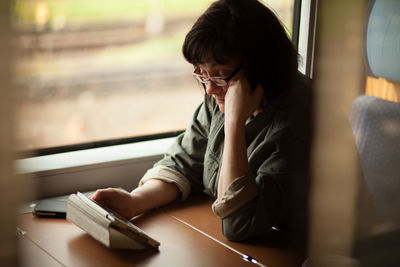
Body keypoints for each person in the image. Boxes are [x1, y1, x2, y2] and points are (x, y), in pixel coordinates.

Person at [91, 0, 311, 242]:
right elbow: (184, 163)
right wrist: (135, 201)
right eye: (202, 74)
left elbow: (238, 223)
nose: (209, 90)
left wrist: (234, 124)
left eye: (219, 74)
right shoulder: (221, 96)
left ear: (262, 64)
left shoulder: (303, 121)